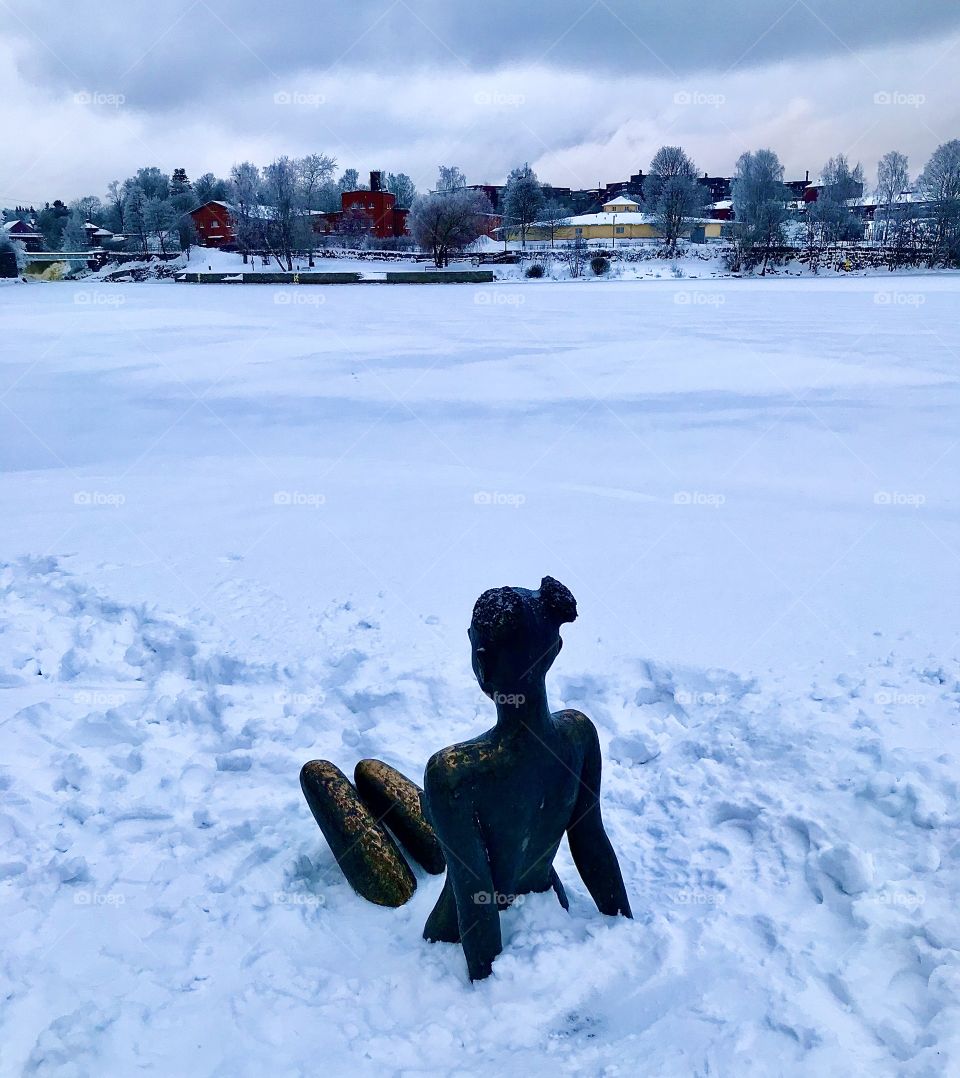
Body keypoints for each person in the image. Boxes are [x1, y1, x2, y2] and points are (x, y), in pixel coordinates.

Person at [300, 576, 632, 981]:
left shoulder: (455, 771)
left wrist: (489, 983)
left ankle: (385, 797)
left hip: (449, 927)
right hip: (539, 892)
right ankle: (401, 799)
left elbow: (475, 897)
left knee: (320, 778)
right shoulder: (579, 734)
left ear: (482, 663)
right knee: (420, 800)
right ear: (554, 650)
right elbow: (590, 839)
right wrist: (624, 928)